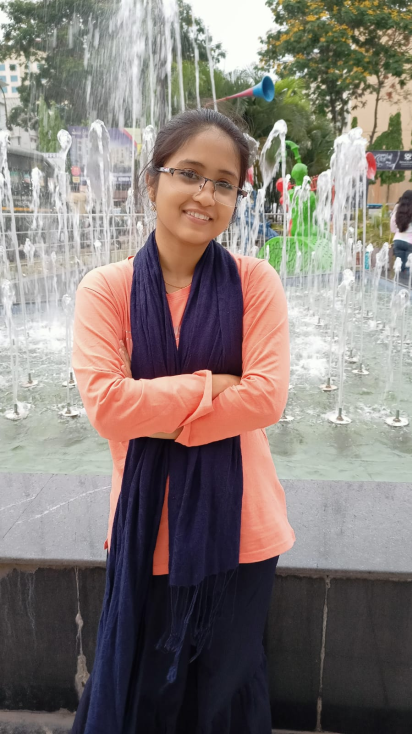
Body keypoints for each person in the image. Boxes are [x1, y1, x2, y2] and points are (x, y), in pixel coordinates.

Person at [71, 108, 295, 734]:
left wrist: (161, 412)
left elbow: (266, 399)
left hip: (243, 530)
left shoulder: (256, 283)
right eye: (189, 174)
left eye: (224, 183)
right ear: (152, 182)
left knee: (225, 696)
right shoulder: (106, 291)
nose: (205, 194)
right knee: (146, 696)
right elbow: (108, 408)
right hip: (148, 532)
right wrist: (212, 387)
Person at [391, 190, 412, 273]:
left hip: (398, 241)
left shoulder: (398, 211)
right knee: (409, 269)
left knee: (399, 269)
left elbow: (392, 228)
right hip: (410, 242)